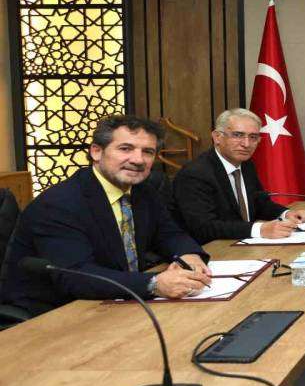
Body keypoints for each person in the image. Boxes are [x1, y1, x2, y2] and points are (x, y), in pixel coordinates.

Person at [1, 115, 212, 315]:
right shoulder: (58, 203)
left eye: (148, 152)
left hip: (117, 302)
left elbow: (169, 233)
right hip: (54, 312)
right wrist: (154, 283)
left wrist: (189, 255)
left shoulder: (144, 190)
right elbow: (77, 275)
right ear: (96, 152)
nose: (138, 160)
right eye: (125, 148)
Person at [171, 109, 305, 243]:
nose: (246, 144)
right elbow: (204, 227)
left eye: (253, 137)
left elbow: (259, 203)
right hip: (211, 251)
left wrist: (285, 214)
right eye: (238, 135)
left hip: (242, 244)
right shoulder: (195, 174)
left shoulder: (245, 164)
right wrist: (260, 230)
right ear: (217, 137)